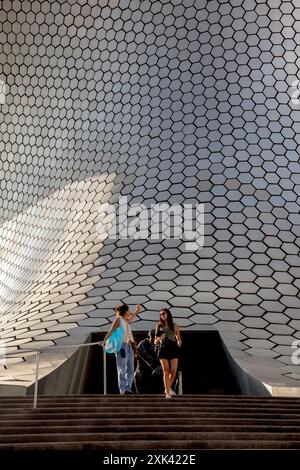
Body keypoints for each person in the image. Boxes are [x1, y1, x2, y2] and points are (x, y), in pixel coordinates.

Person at [102, 303, 141, 394]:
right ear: (125, 311)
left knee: (131, 368)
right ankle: (123, 389)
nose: (129, 312)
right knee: (122, 368)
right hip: (122, 346)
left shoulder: (126, 320)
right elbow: (111, 330)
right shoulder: (118, 320)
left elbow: (132, 318)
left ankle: (128, 388)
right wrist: (104, 341)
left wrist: (137, 310)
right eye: (128, 310)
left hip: (129, 347)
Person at [155, 308, 181, 399]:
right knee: (166, 370)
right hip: (163, 348)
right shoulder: (159, 326)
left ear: (168, 314)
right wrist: (159, 338)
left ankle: (167, 388)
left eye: (163, 313)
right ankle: (167, 392)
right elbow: (155, 342)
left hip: (173, 348)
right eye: (161, 314)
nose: (162, 315)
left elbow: (179, 338)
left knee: (173, 371)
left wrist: (179, 343)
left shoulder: (175, 325)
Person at [135, 329, 163, 394]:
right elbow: (147, 359)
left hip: (155, 368)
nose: (154, 340)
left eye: (155, 338)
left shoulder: (160, 344)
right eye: (152, 338)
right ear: (148, 337)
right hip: (143, 369)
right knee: (140, 375)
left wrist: (160, 367)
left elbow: (163, 358)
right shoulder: (142, 344)